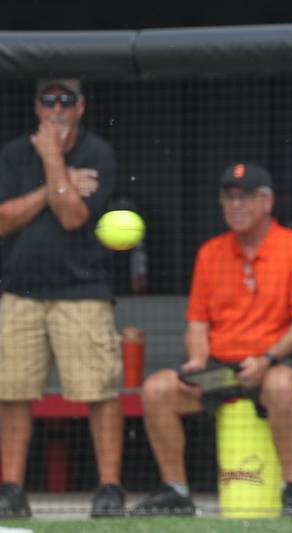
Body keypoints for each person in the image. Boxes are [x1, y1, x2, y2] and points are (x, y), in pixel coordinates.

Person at [131, 162, 292, 517]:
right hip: (222, 369)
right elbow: (197, 322)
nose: (236, 205)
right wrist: (198, 361)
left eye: (246, 198)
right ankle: (176, 491)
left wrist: (267, 358)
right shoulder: (211, 252)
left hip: (276, 362)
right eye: (229, 198)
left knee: (281, 386)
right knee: (157, 389)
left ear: (267, 202)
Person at [0, 78, 125, 518]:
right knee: (11, 391)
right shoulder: (14, 154)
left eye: (65, 100)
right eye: (47, 100)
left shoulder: (97, 153)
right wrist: (58, 182)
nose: (56, 107)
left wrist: (52, 158)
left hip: (82, 291)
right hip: (19, 291)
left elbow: (73, 216)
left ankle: (109, 488)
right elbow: (2, 219)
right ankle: (11, 488)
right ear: (36, 107)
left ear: (81, 106)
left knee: (98, 391)